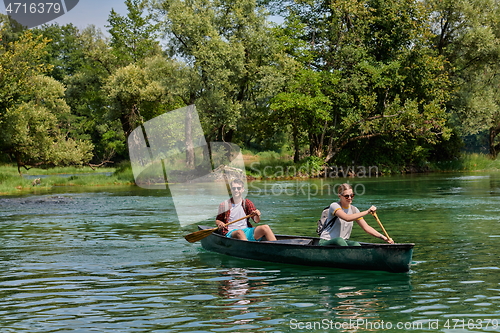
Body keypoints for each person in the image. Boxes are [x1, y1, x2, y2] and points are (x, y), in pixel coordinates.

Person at [319, 183, 394, 246]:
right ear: (340, 196)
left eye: (352, 195)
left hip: (343, 243)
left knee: (356, 244)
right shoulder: (334, 206)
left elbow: (366, 228)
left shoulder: (354, 210)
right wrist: (367, 211)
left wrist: (384, 238)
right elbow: (347, 218)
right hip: (326, 241)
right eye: (346, 196)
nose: (349, 198)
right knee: (339, 240)